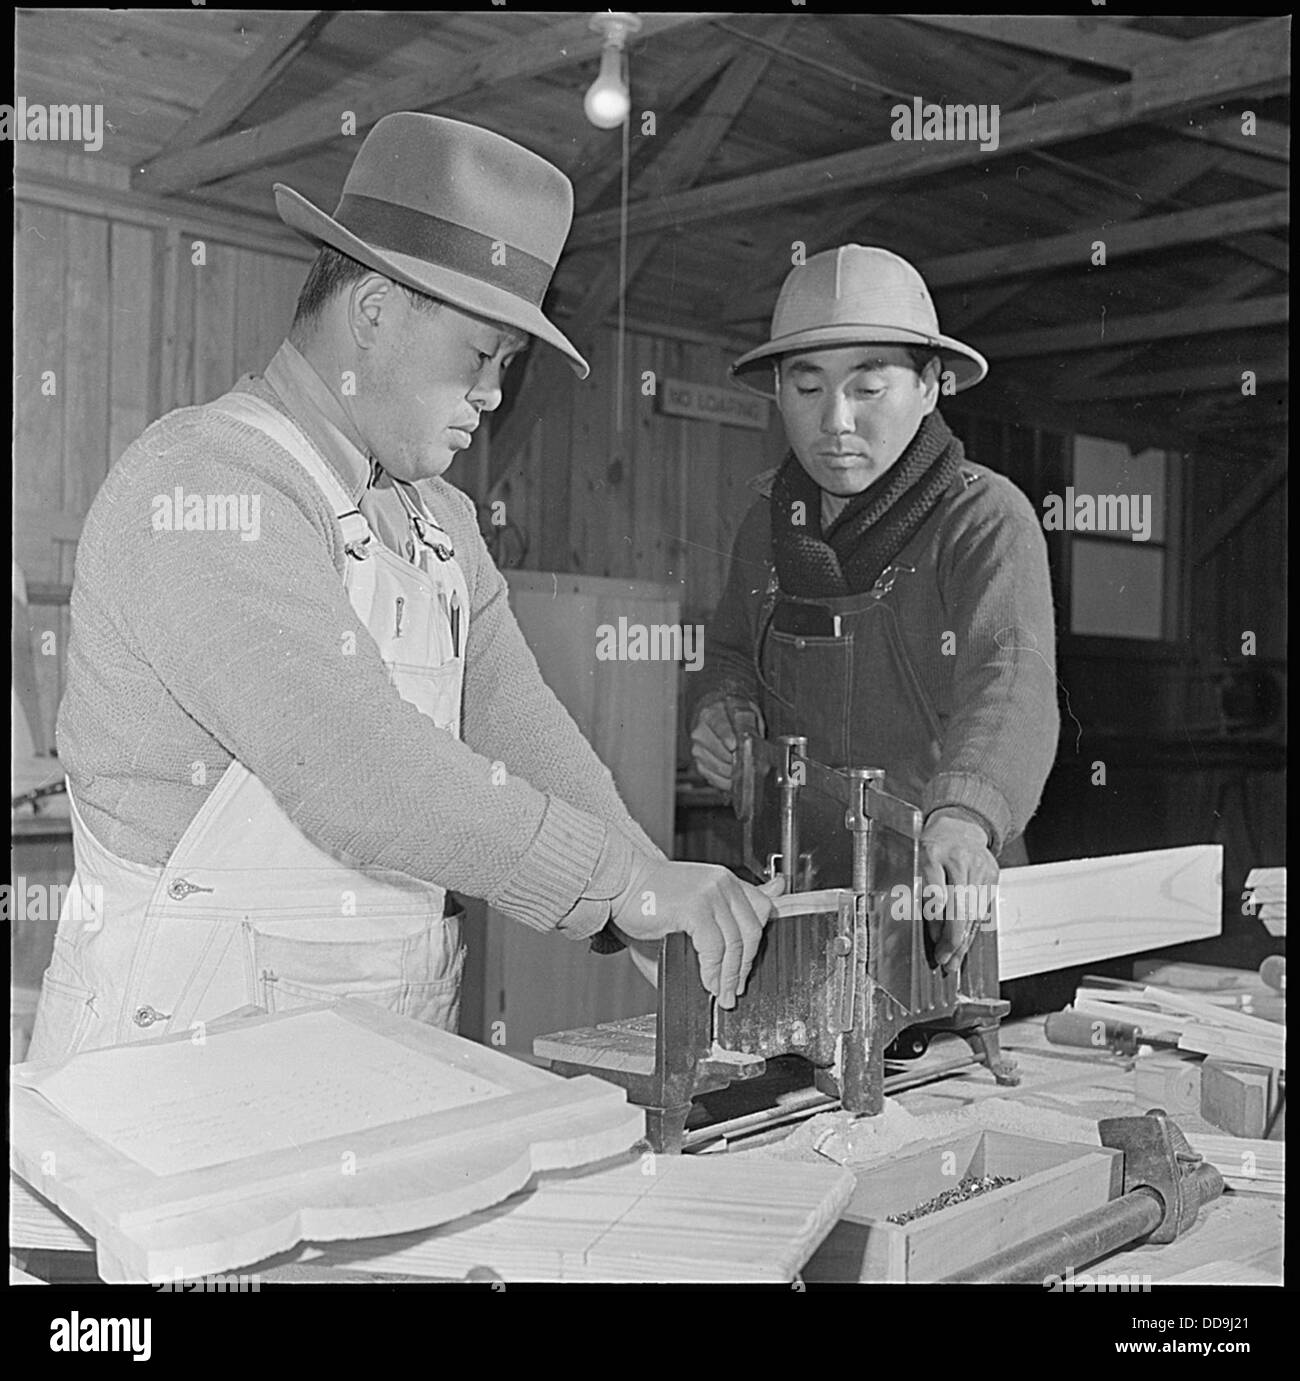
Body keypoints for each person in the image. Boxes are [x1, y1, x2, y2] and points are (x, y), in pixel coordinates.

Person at [30, 113, 780, 1064]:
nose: (495, 393)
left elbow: (517, 725)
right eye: (479, 356)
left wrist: (651, 887)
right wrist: (617, 879)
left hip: (365, 1066)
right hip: (167, 1082)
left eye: (508, 366)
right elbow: (354, 767)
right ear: (375, 310)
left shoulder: (438, 524)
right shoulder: (207, 486)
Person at [688, 245, 1058, 974]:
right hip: (795, 899)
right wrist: (723, 717)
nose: (834, 420)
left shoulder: (984, 518)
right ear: (778, 390)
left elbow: (1010, 680)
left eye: (868, 387)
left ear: (929, 387)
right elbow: (731, 657)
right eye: (807, 386)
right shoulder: (766, 524)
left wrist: (964, 818)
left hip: (940, 902)